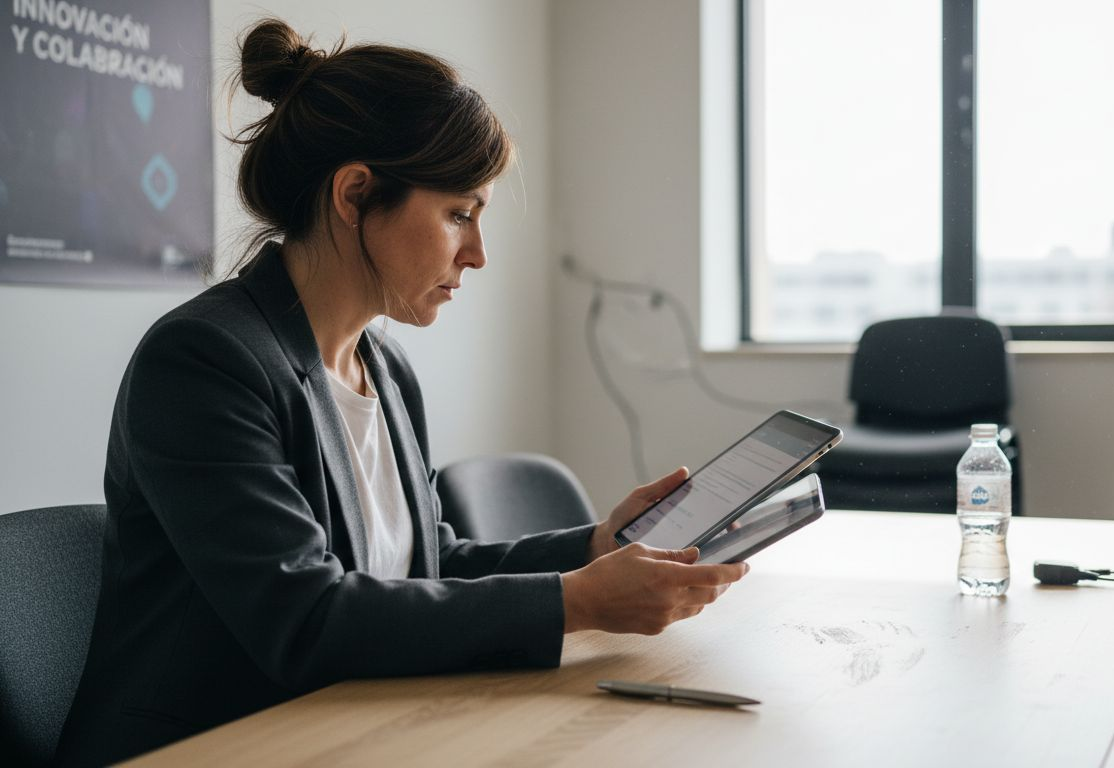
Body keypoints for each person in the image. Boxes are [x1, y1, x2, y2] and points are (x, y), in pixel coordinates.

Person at [54, 19, 747, 766]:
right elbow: (306, 617)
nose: (477, 254)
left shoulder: (383, 368)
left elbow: (427, 564)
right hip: (207, 746)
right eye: (459, 214)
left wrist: (594, 547)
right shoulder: (203, 361)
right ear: (355, 193)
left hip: (350, 727)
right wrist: (577, 600)